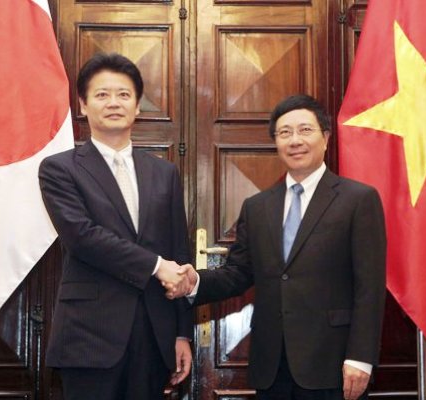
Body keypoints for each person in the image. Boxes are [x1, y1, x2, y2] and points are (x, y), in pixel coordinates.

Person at [175, 94, 387, 400]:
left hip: (333, 362)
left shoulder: (358, 200)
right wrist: (194, 281)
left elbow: (370, 287)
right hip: (272, 366)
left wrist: (361, 357)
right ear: (275, 142)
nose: (295, 140)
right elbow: (238, 274)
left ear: (326, 138)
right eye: (285, 133)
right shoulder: (257, 206)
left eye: (305, 130)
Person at [39, 52, 193, 400]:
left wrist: (181, 333)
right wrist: (156, 266)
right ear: (83, 105)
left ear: (137, 106)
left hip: (154, 334)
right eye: (102, 94)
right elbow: (82, 237)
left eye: (123, 94)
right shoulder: (59, 168)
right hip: (89, 336)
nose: (113, 103)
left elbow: (178, 251)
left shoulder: (164, 173)